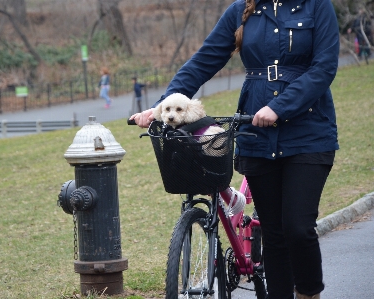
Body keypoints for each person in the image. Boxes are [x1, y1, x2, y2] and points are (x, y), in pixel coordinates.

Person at [130, 0, 340, 298]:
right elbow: (204, 61)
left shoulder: (317, 6)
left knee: (297, 228)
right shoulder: (241, 10)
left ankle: (308, 293)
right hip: (256, 133)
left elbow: (324, 67)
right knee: (274, 234)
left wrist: (280, 107)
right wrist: (160, 106)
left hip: (308, 132)